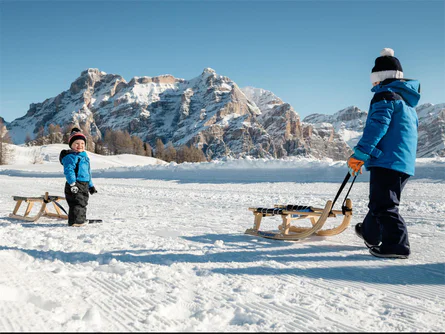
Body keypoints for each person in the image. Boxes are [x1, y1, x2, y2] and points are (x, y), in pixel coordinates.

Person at [347, 48, 420, 259]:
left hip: (387, 161)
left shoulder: (384, 96)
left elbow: (377, 127)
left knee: (384, 205)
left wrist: (361, 154)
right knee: (381, 202)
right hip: (403, 163)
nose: (372, 84)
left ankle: (396, 246)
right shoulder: (407, 103)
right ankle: (370, 233)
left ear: (381, 78)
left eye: (373, 79)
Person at [62, 128, 98, 227]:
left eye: (82, 144)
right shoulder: (70, 157)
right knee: (77, 202)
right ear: (71, 145)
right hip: (75, 183)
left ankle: (79, 219)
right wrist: (72, 183)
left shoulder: (84, 157)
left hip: (84, 184)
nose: (80, 146)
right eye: (76, 144)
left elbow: (87, 173)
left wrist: (91, 186)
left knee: (83, 202)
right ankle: (77, 221)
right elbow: (69, 171)